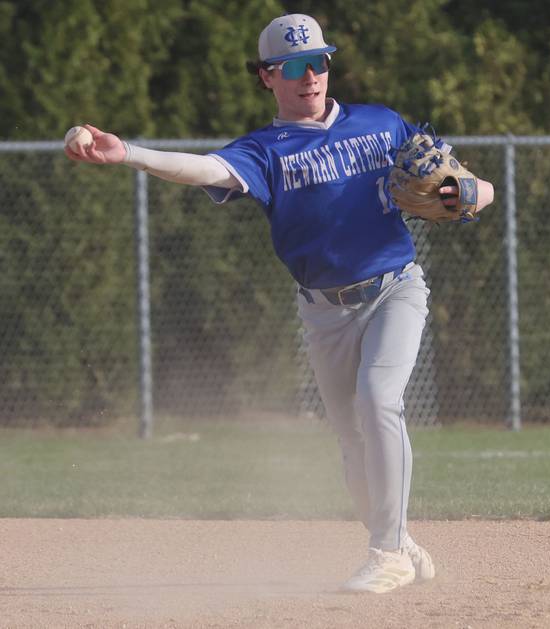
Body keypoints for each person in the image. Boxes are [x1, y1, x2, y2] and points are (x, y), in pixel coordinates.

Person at [65, 13, 494, 594]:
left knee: (378, 399)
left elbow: (472, 188)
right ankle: (397, 537)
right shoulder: (265, 151)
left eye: (317, 61)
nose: (309, 75)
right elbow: (203, 169)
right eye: (292, 66)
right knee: (350, 439)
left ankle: (387, 551)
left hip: (395, 289)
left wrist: (465, 191)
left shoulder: (380, 125)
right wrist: (131, 154)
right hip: (323, 312)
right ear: (267, 77)